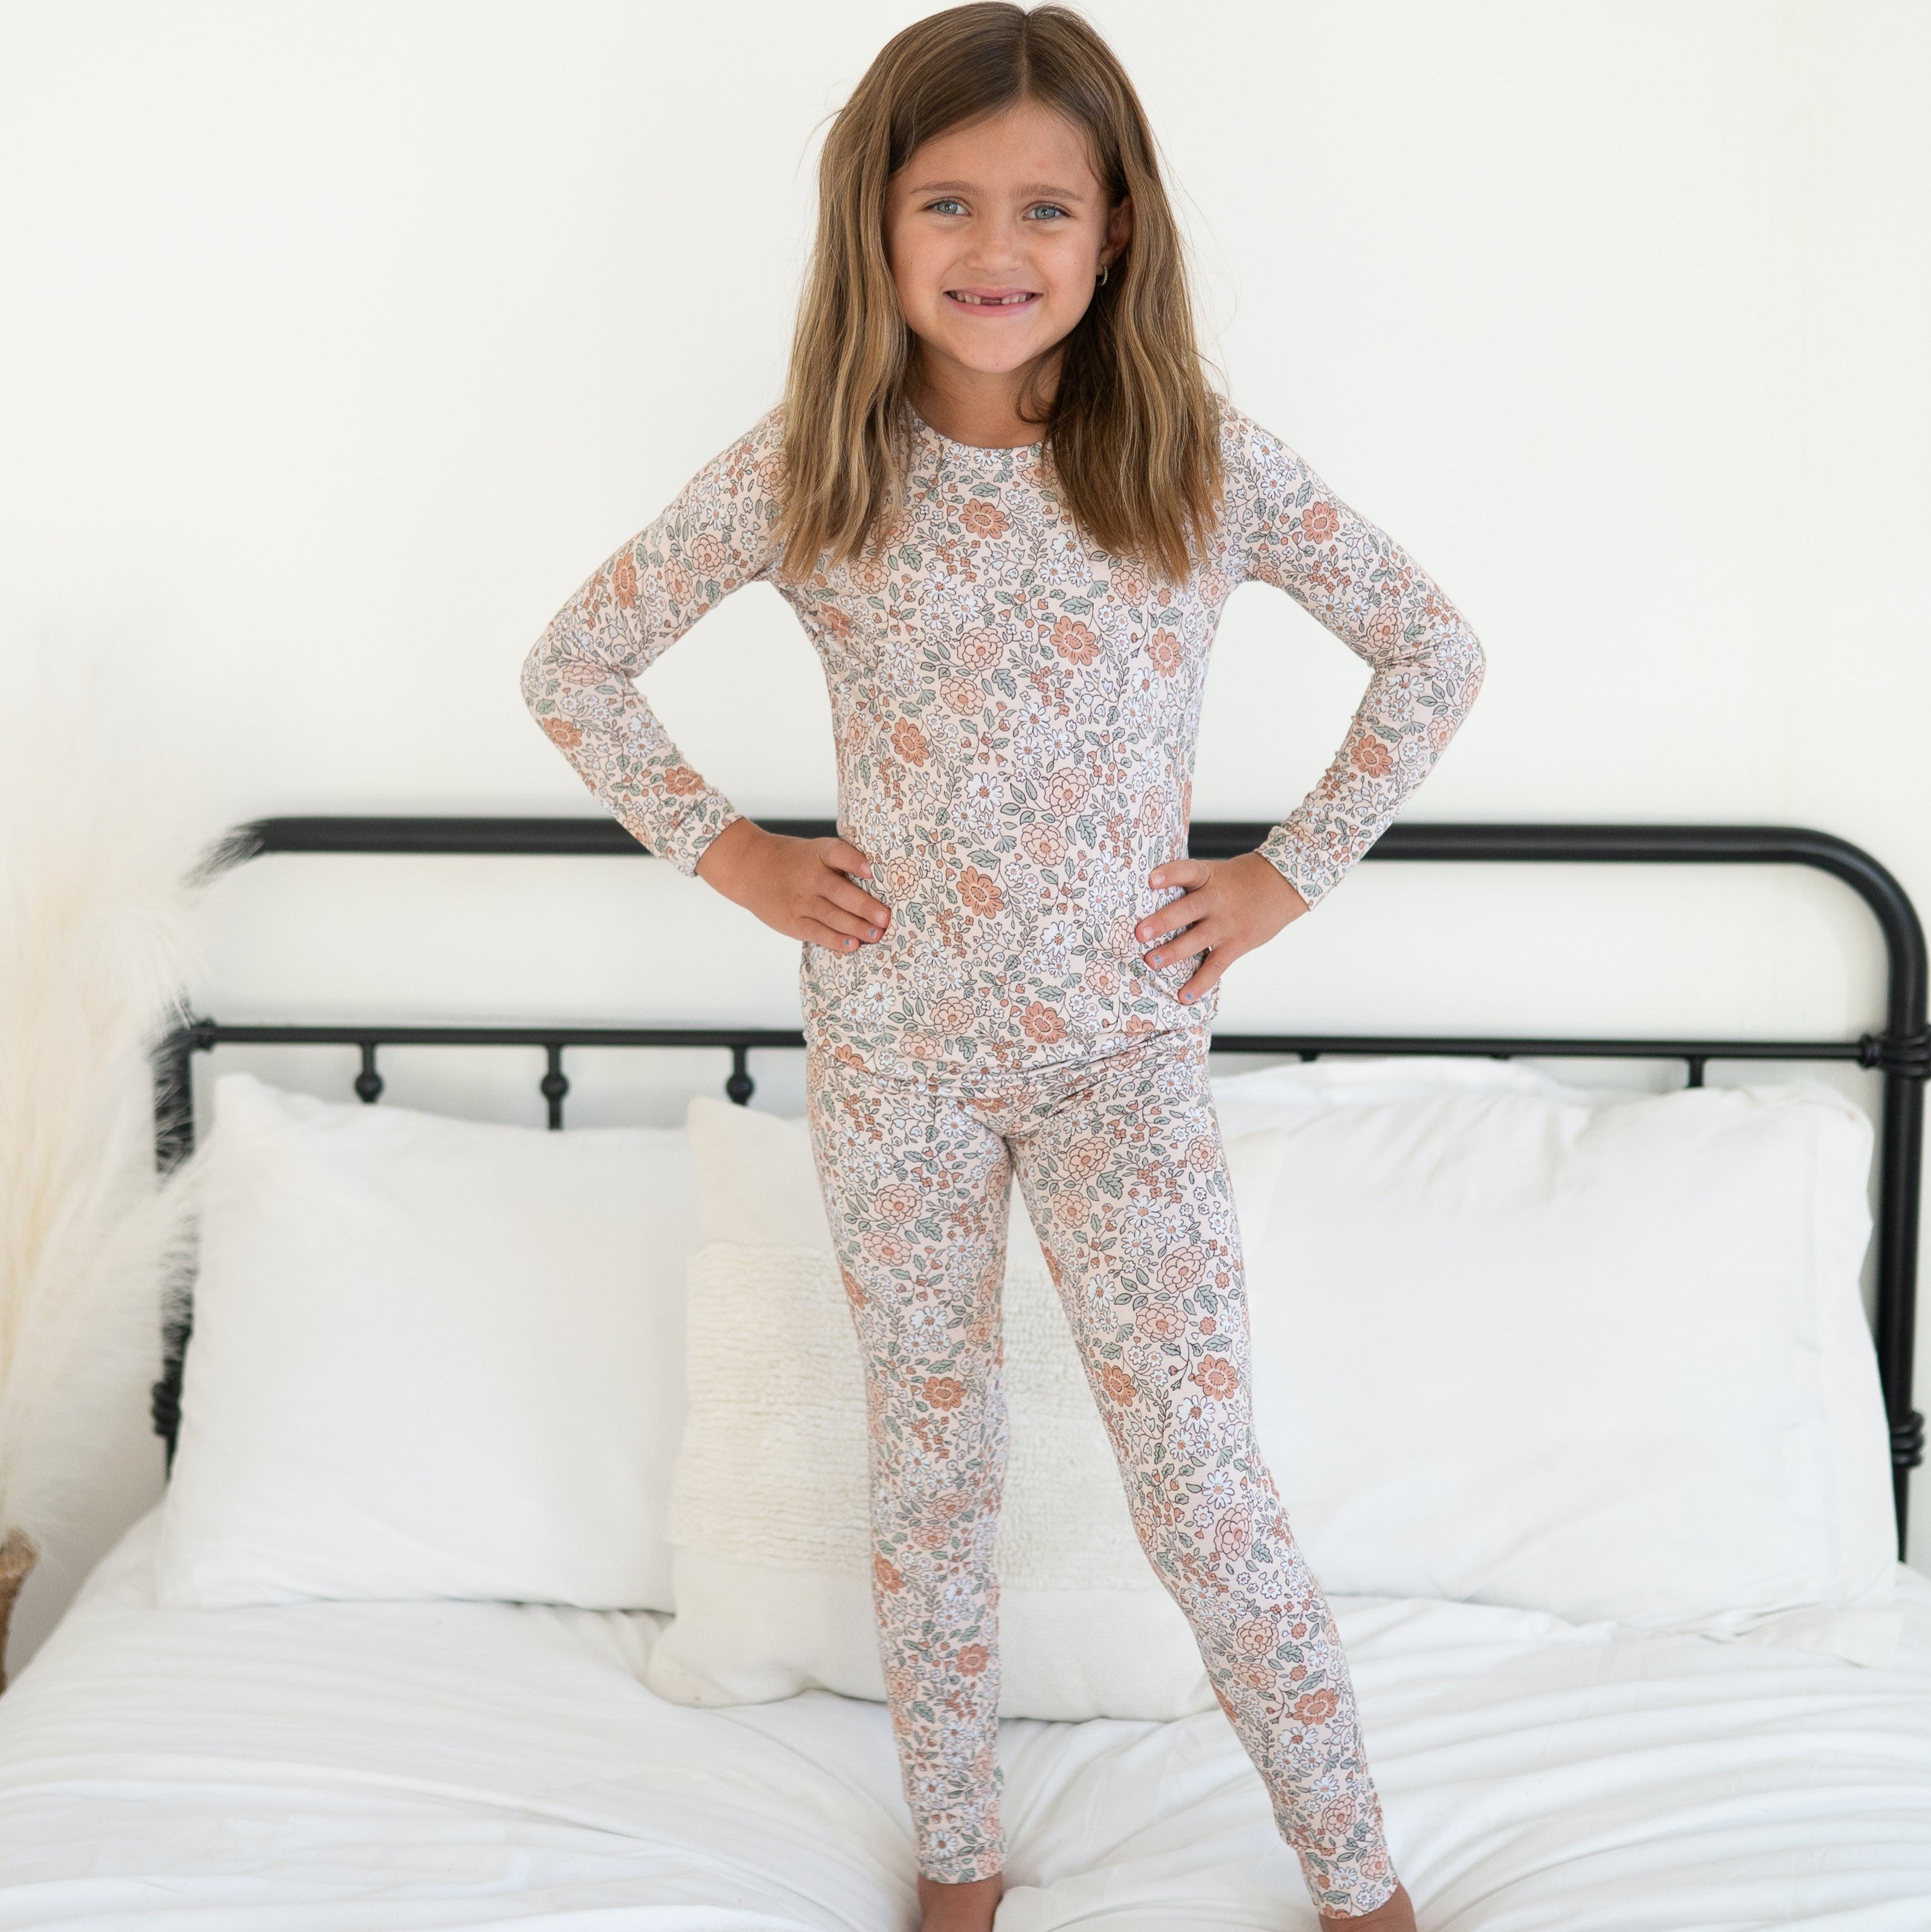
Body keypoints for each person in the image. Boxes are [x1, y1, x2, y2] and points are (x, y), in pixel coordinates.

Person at [521, 5, 1483, 1924]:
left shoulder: (1196, 463)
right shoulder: (815, 466)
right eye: (946, 201)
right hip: (899, 1059)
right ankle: (960, 1857)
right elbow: (573, 667)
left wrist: (1285, 880)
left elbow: (1433, 651)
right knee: (934, 1467)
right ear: (875, 230)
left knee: (1201, 1480)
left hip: (1124, 1053)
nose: (994, 248)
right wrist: (736, 855)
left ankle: (1360, 1881)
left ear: (1116, 232)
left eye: (1046, 207)